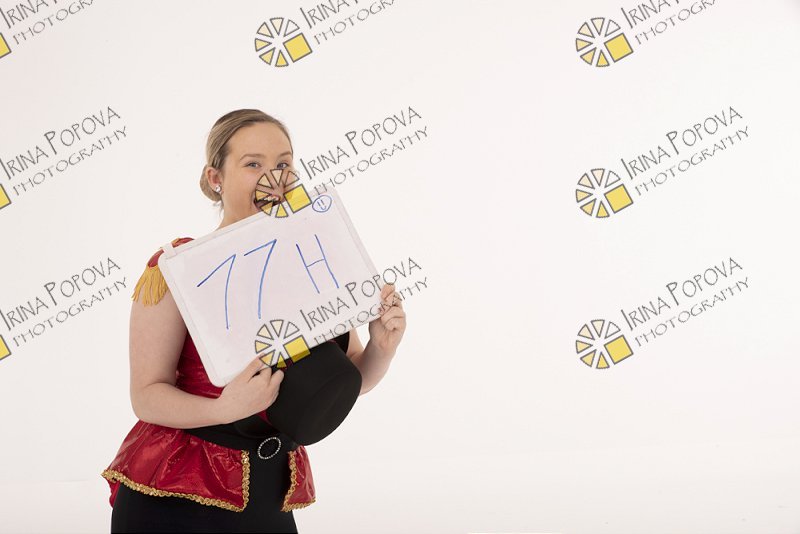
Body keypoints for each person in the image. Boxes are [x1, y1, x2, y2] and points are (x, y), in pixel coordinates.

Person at [101, 109, 407, 533]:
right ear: (216, 179)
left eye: (283, 164)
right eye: (253, 164)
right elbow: (146, 396)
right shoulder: (179, 269)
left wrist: (382, 348)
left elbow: (354, 377)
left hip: (268, 489)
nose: (273, 178)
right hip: (177, 491)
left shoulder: (319, 262)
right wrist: (222, 409)